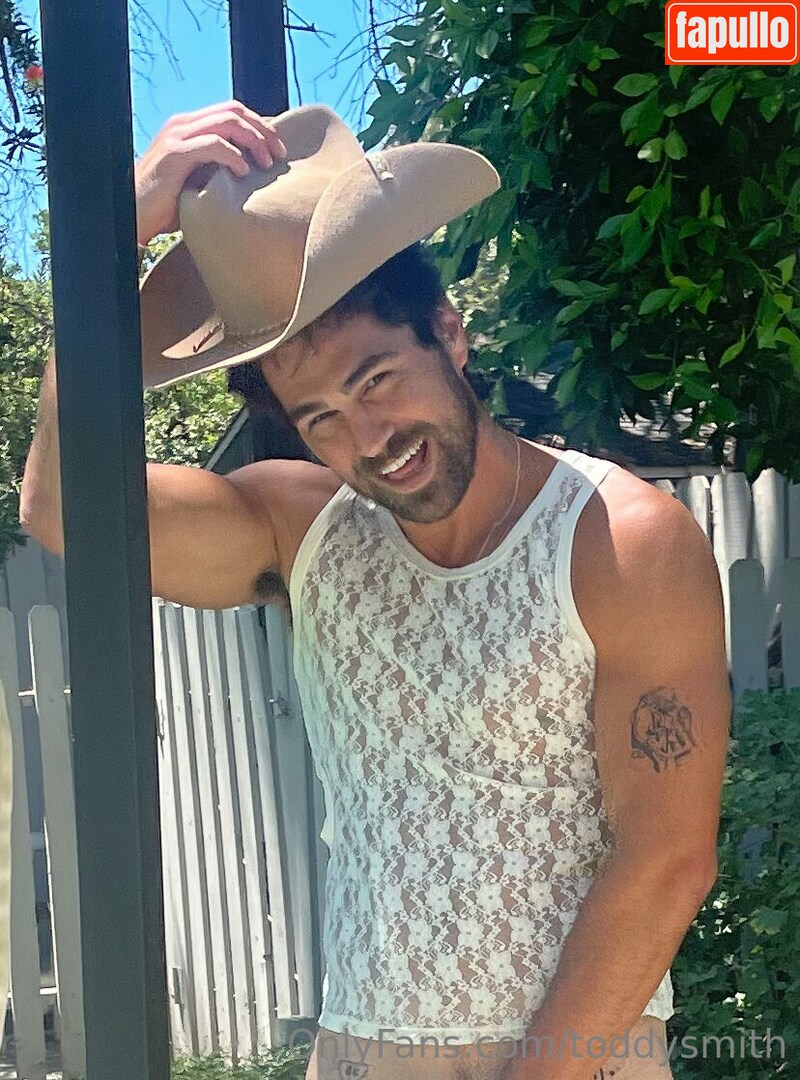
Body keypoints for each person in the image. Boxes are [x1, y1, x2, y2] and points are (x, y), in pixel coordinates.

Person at [20, 100, 732, 1080]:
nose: (369, 439)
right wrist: (115, 235)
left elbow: (663, 858)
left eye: (377, 379)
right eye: (319, 417)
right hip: (361, 1053)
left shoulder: (616, 539)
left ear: (448, 333)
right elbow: (62, 507)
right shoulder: (302, 530)